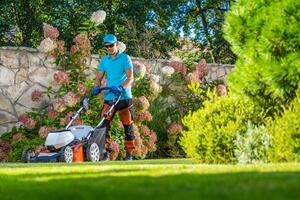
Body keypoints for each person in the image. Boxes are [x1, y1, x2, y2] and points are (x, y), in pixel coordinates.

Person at [92, 34, 135, 161]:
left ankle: (129, 154)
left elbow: (130, 78)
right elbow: (98, 78)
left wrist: (122, 87)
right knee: (103, 125)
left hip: (124, 97)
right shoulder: (104, 60)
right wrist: (96, 86)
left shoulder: (125, 58)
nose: (109, 48)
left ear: (117, 44)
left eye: (111, 45)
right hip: (110, 97)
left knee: (128, 125)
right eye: (107, 46)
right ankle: (105, 153)